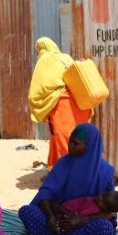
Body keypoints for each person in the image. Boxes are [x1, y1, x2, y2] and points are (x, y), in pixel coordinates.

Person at [19, 123, 117, 235]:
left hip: (84, 221)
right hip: (57, 217)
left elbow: (110, 211)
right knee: (27, 211)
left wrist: (82, 220)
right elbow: (45, 193)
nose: (70, 146)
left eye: (76, 144)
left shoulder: (105, 171)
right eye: (70, 141)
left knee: (103, 228)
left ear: (90, 146)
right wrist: (51, 218)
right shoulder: (63, 162)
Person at [28, 37, 92, 170]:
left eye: (38, 49)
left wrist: (39, 106)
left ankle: (70, 174)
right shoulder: (67, 58)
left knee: (64, 140)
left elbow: (39, 87)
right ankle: (60, 170)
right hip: (80, 103)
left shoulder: (45, 60)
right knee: (76, 138)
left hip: (62, 105)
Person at [53, 190, 118, 220]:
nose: (100, 197)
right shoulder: (95, 201)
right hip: (61, 208)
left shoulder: (93, 209)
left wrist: (65, 215)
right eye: (103, 194)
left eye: (103, 201)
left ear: (106, 210)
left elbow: (77, 217)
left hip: (61, 214)